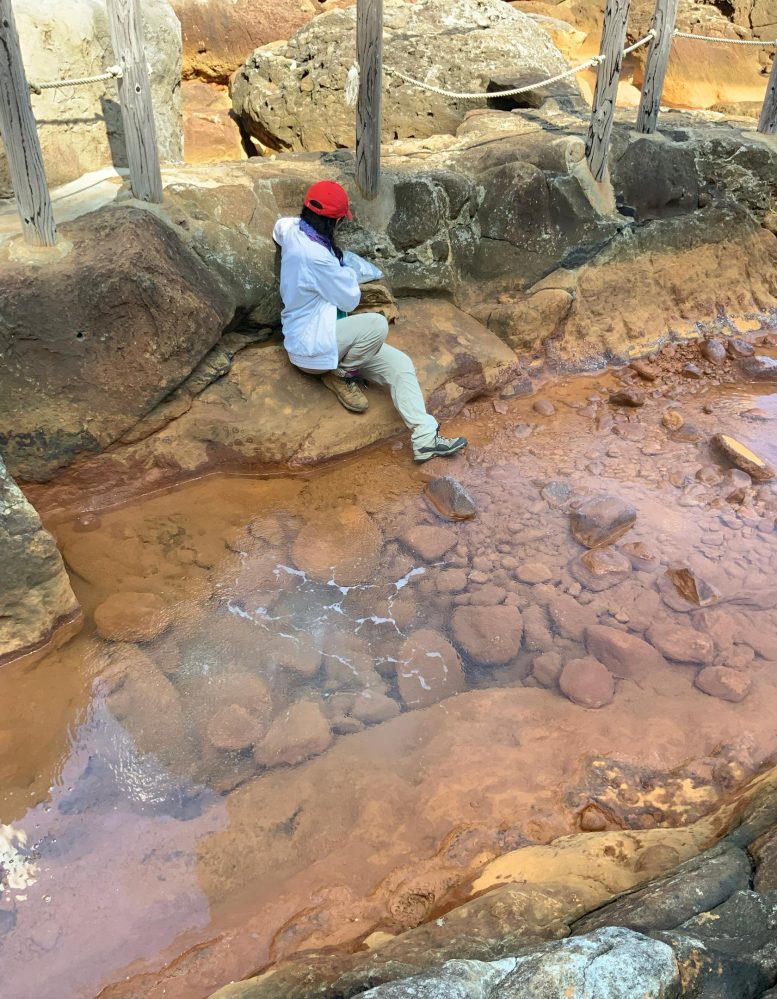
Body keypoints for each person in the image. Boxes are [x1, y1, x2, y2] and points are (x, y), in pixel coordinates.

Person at [272, 180, 468, 463]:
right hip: (311, 345)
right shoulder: (318, 258)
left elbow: (279, 228)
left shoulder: (294, 231)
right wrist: (348, 270)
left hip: (332, 338)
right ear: (336, 221)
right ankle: (341, 375)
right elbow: (350, 300)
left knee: (401, 365)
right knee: (375, 325)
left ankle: (425, 438)